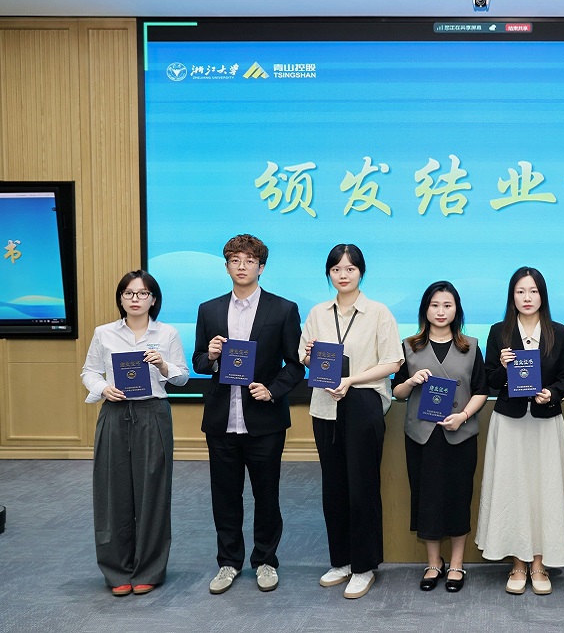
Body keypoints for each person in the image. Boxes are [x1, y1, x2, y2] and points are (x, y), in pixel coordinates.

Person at [192, 234, 304, 595]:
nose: (242, 267)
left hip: (264, 420)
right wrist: (211, 356)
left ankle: (266, 560)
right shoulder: (209, 310)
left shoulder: (283, 309)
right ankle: (228, 562)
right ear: (226, 266)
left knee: (266, 494)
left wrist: (272, 390)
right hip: (221, 419)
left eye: (249, 261)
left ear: (261, 267)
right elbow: (198, 362)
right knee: (224, 496)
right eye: (235, 260)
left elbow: (295, 365)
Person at [299, 244, 402, 599]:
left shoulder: (378, 312)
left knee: (362, 487)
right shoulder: (318, 312)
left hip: (362, 401)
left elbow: (393, 362)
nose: (343, 275)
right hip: (324, 405)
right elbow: (305, 357)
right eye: (336, 269)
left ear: (361, 272)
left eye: (350, 269)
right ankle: (340, 561)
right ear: (329, 273)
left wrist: (351, 380)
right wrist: (309, 355)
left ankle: (363, 566)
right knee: (333, 488)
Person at [81, 270, 189, 596]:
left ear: (153, 299)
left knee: (152, 492)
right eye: (128, 293)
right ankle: (117, 570)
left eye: (142, 294)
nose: (135, 299)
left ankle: (149, 569)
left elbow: (182, 376)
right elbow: (89, 372)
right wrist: (103, 388)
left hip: (153, 414)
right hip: (115, 414)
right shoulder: (104, 333)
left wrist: (163, 366)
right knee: (111, 490)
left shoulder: (167, 333)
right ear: (121, 298)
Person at [477, 266, 564, 595]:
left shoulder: (559, 332)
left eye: (533, 291)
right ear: (512, 296)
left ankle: (539, 564)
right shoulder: (499, 332)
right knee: (513, 490)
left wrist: (552, 393)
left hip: (545, 422)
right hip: (510, 421)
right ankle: (518, 563)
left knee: (543, 489)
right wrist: (503, 367)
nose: (527, 297)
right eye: (520, 291)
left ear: (542, 295)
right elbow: (489, 380)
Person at [392, 281, 488, 593]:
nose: (441, 311)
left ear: (456, 309)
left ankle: (457, 564)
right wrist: (411, 382)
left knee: (459, 497)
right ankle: (434, 563)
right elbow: (397, 392)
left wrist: (463, 416)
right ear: (425, 309)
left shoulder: (471, 346)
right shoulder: (410, 346)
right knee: (427, 499)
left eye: (447, 305)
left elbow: (482, 390)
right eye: (435, 305)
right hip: (422, 436)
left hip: (459, 434)